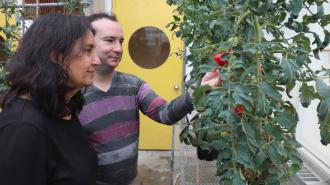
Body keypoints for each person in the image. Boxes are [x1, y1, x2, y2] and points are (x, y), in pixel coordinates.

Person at [78, 13, 221, 185]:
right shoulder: (73, 93)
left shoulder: (133, 85)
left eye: (121, 41)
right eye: (109, 40)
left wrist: (198, 91)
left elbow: (164, 113)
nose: (118, 48)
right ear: (89, 43)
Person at [0, 13, 101, 185]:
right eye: (87, 50)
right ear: (55, 56)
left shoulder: (62, 108)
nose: (97, 60)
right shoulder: (24, 127)